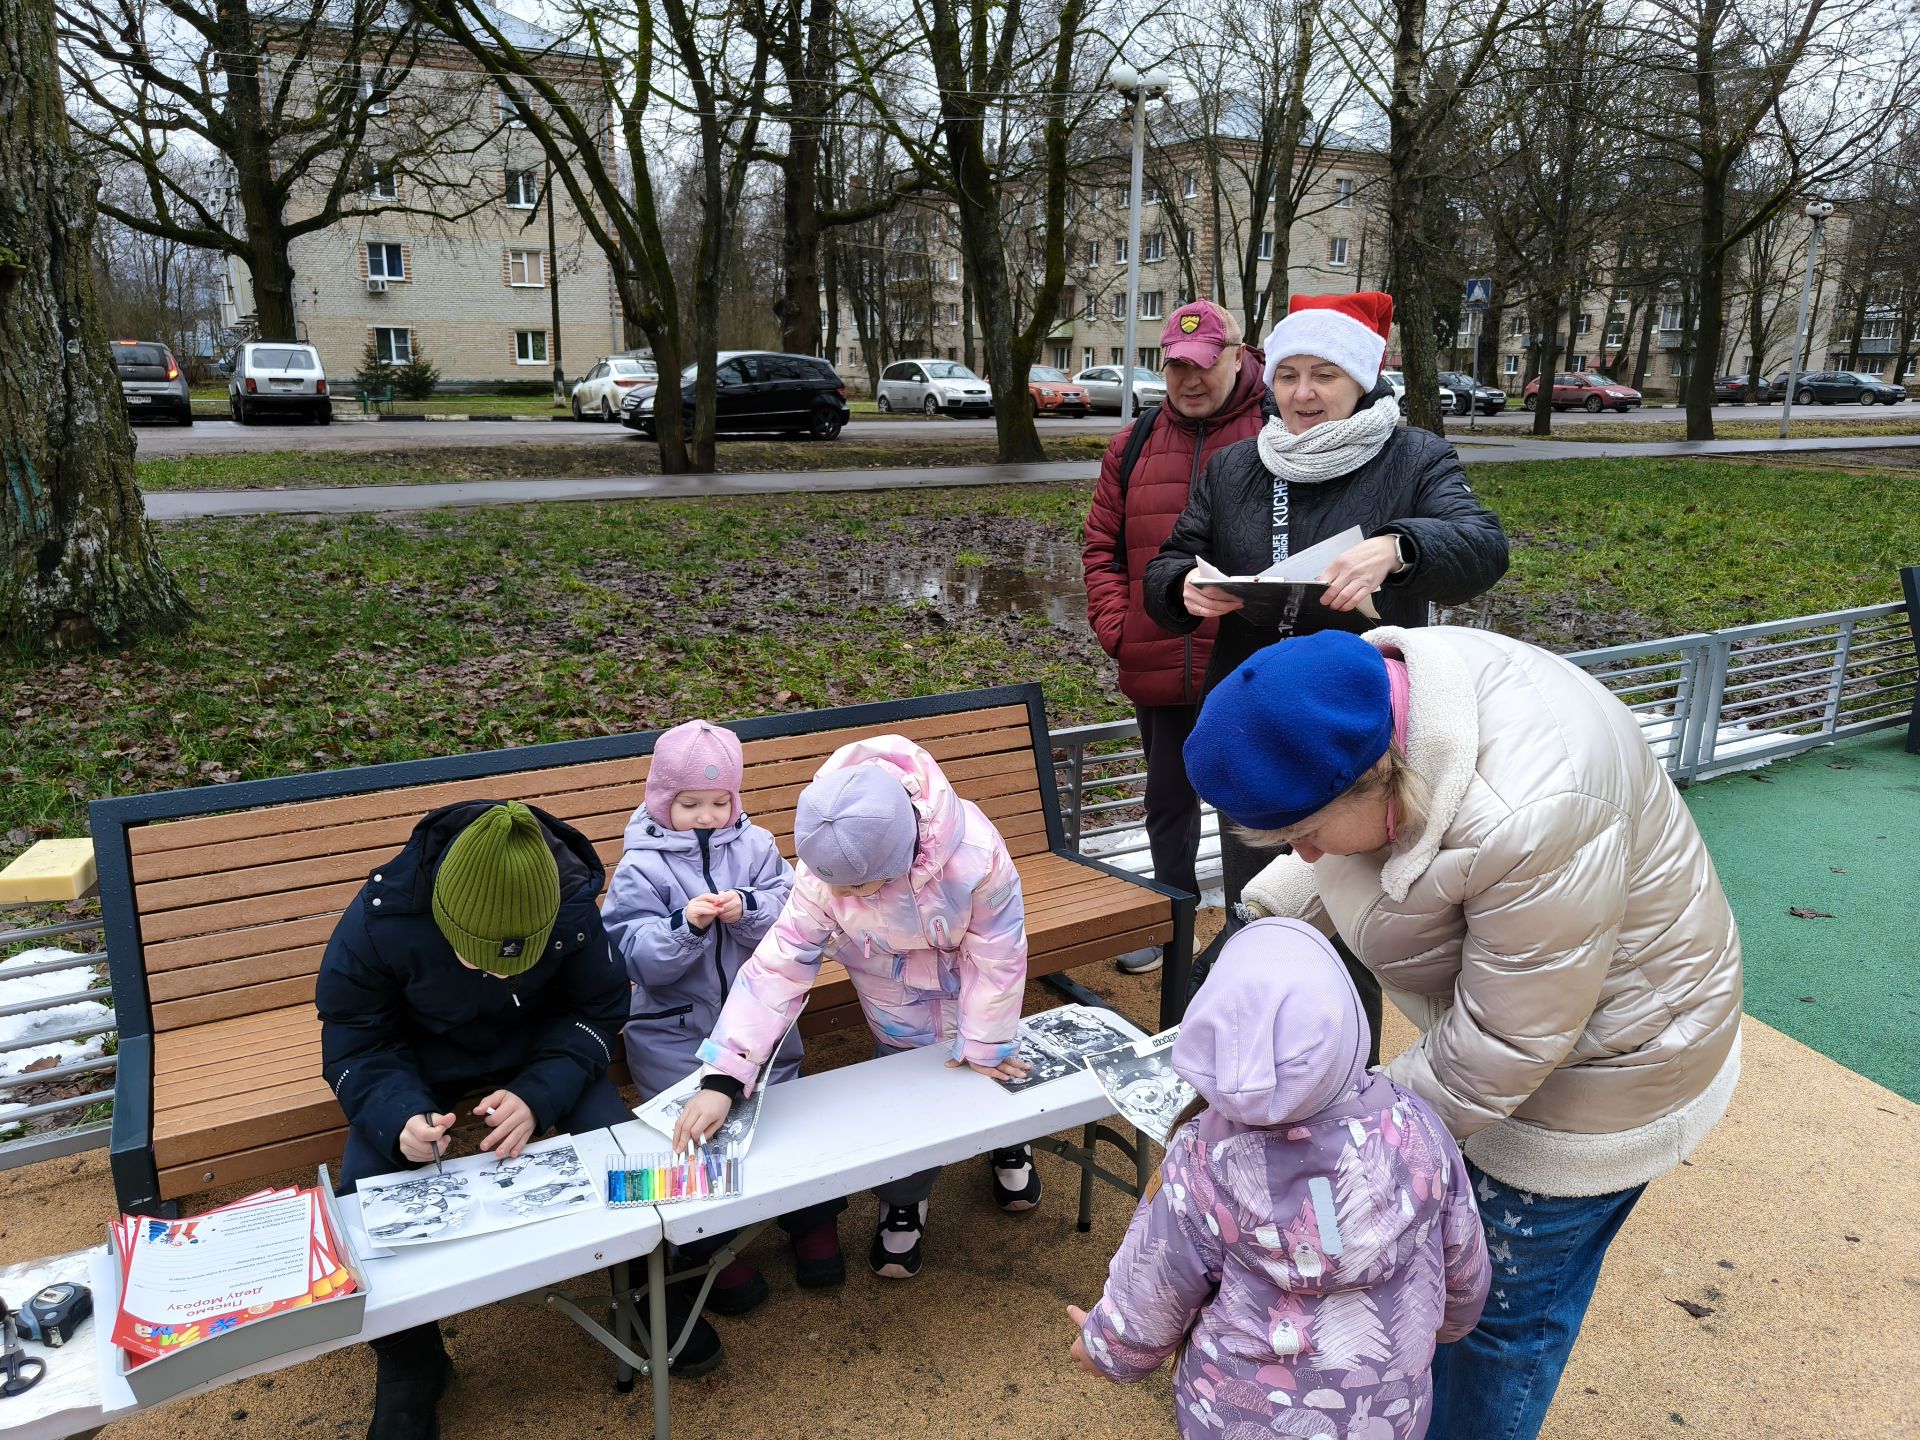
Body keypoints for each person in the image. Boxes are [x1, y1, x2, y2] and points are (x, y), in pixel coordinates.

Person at [1183, 627, 1745, 1440]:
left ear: (1378, 781)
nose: (1301, 853)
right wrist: (1259, 920)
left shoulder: (1533, 814)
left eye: (1300, 832)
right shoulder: (1388, 701)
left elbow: (1504, 1044)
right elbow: (1334, 842)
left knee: (1502, 1321)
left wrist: (1337, 1147)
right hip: (1535, 1014)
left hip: (1605, 1075)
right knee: (1451, 1274)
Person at [1142, 290, 1509, 1053]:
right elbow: (1171, 559)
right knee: (1263, 906)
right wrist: (1181, 587)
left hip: (1363, 733)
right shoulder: (1239, 464)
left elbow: (1481, 548)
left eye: (1325, 376)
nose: (1303, 395)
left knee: (1352, 923)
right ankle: (1257, 1068)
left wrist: (1401, 546)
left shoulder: (1413, 456)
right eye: (1288, 376)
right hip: (1255, 721)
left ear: (1362, 380)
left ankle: (1348, 1076)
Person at [1067, 916, 1489, 1439]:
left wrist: (1110, 1349)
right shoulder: (1418, 1127)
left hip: (1234, 1418)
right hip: (1386, 1415)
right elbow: (1462, 1261)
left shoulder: (1203, 1157)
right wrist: (1448, 1326)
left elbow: (1157, 1279)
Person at [317, 800, 634, 1440]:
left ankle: (646, 1293)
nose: (494, 974)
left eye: (515, 960)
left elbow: (598, 1011)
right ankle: (411, 1362)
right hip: (421, 1067)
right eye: (475, 957)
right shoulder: (382, 920)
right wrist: (400, 1115)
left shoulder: (569, 905)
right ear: (442, 914)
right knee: (363, 1188)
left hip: (535, 1055)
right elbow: (356, 1041)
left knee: (619, 1146)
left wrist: (538, 1094)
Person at [669, 734, 1033, 1280]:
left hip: (973, 987)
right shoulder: (822, 873)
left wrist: (983, 1039)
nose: (853, 896)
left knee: (991, 1069)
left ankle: (1008, 1144)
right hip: (891, 998)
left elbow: (998, 954)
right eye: (844, 887)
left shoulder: (976, 855)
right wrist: (724, 1076)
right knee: (908, 1097)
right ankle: (904, 1197)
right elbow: (777, 969)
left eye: (865, 885)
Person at [601, 719, 848, 1322]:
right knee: (695, 1143)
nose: (707, 815)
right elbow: (633, 955)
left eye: (719, 802)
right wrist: (684, 928)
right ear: (662, 801)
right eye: (690, 804)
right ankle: (712, 1246)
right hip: (674, 1036)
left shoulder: (757, 846)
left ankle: (810, 1219)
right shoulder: (641, 868)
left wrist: (748, 909)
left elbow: (794, 916)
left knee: (786, 1123)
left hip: (765, 1029)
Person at [1082, 299, 1270, 976]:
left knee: (1254, 802)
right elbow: (1101, 548)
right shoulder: (1132, 444)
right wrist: (1120, 628)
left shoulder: (1277, 430)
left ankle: (1257, 936)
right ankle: (1173, 923)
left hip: (1250, 666)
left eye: (1201, 364)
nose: (1187, 380)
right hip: (1157, 658)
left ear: (1237, 354)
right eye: (1174, 366)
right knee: (1166, 802)